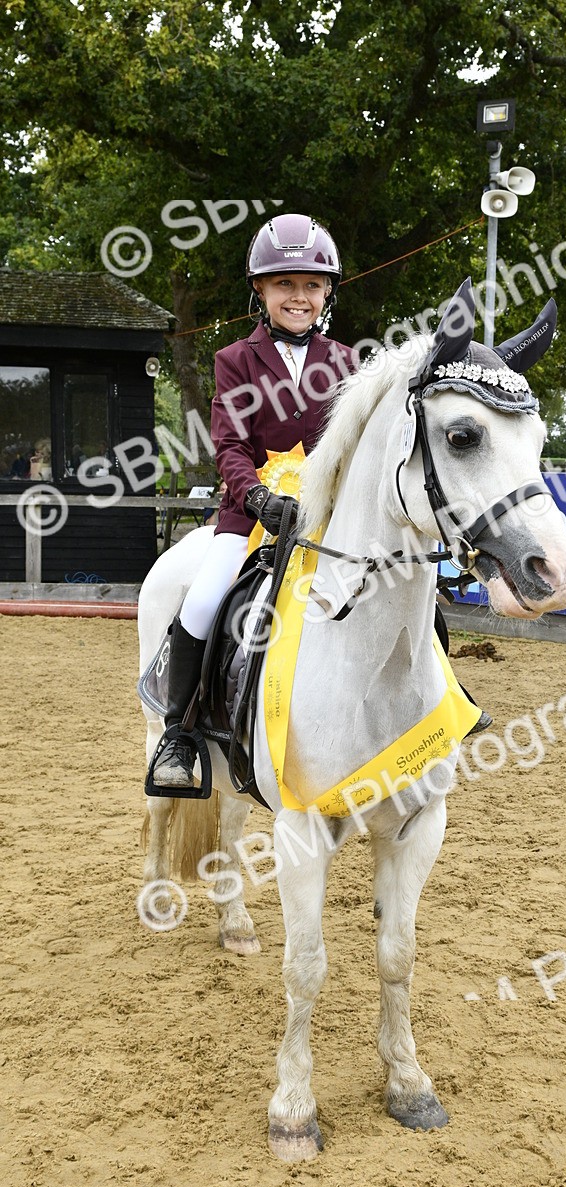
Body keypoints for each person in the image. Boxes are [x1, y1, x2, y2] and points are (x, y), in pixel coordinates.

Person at [152, 213, 358, 789]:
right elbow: (229, 446)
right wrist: (259, 499)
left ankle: (437, 691)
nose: (299, 296)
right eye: (284, 284)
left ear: (327, 292)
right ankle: (180, 733)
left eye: (312, 284)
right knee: (203, 601)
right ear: (261, 290)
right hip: (251, 516)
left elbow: (353, 450)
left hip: (326, 519)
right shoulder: (235, 360)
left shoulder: (346, 362)